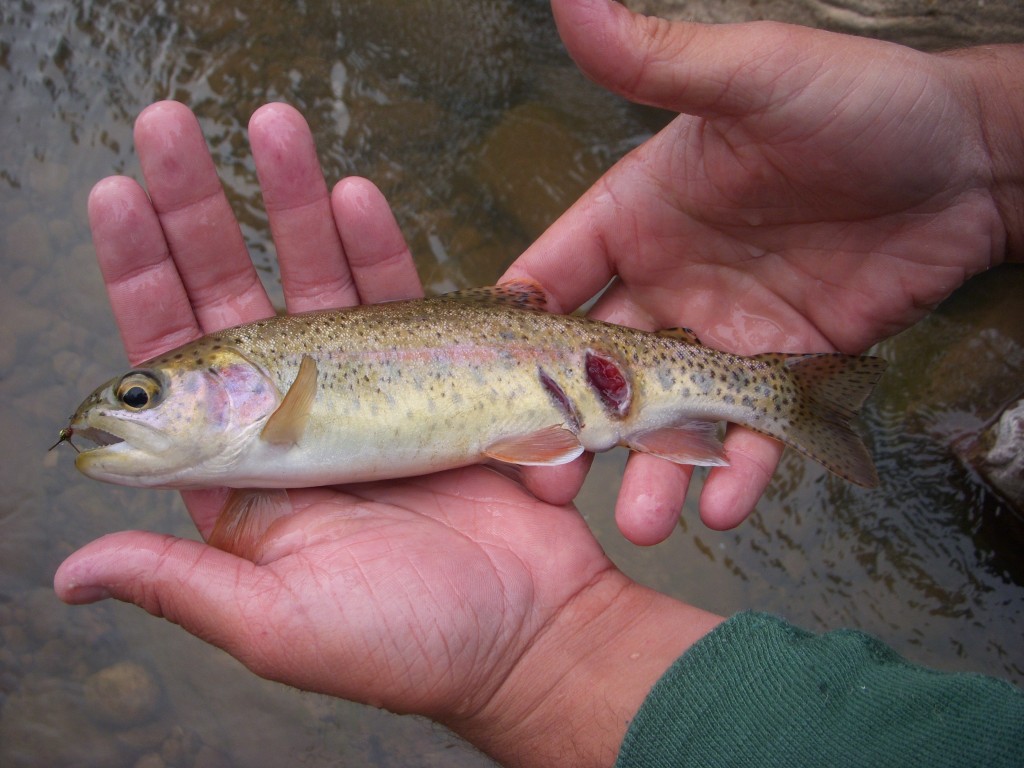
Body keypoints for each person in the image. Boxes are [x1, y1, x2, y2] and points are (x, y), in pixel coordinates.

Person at [55, 1, 1024, 765]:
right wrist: (979, 147)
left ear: (232, 381)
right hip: (581, 386)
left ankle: (773, 394)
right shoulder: (266, 429)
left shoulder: (274, 418)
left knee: (705, 400)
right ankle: (768, 396)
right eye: (134, 402)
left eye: (140, 397)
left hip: (598, 387)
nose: (121, 415)